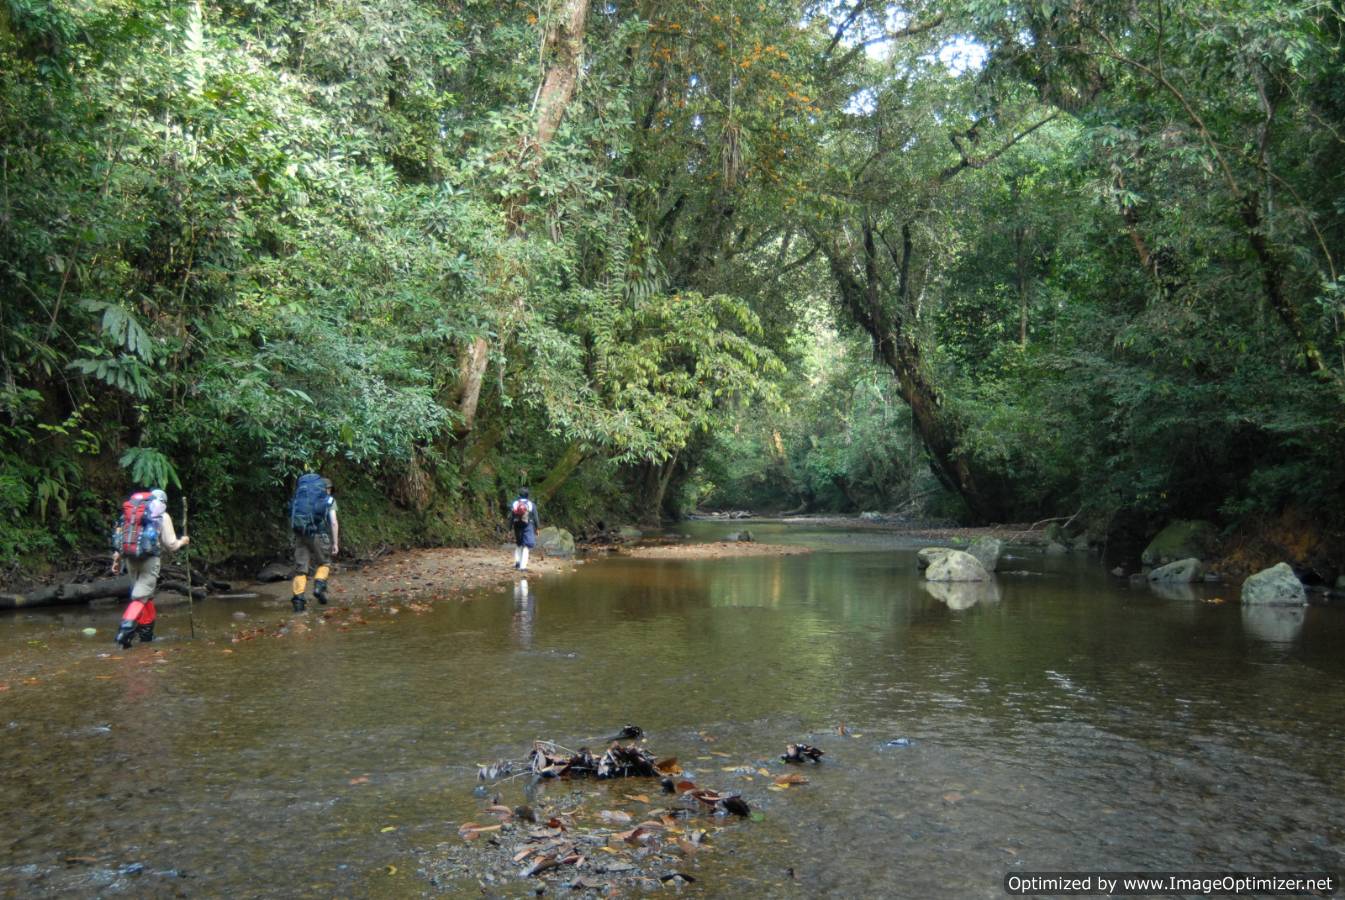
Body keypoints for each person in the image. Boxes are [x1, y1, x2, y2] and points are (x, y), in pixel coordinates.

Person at [111, 488, 189, 648]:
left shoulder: (131, 515)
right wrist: (183, 541)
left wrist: (116, 560)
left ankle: (146, 636)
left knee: (146, 595)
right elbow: (171, 545)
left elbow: (120, 537)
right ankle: (124, 633)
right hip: (149, 559)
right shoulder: (162, 515)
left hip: (129, 558)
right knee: (140, 597)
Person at [289, 473, 339, 612]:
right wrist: (335, 543)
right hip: (319, 535)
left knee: (301, 570)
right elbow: (334, 523)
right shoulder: (329, 500)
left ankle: (298, 603)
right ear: (327, 488)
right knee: (325, 563)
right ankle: (318, 586)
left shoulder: (299, 500)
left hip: (300, 535)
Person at [508, 487, 539, 570]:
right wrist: (537, 528)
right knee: (526, 545)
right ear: (528, 495)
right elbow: (536, 517)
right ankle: (523, 566)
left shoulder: (515, 503)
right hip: (528, 525)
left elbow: (511, 517)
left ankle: (517, 562)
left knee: (519, 543)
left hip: (516, 525)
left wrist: (509, 528)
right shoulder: (531, 504)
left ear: (519, 495)